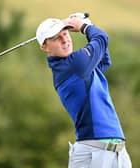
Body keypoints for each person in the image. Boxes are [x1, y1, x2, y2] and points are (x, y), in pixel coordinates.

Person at [36, 13, 132, 168]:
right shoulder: (74, 65)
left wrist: (87, 22)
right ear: (45, 47)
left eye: (65, 33)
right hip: (93, 154)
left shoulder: (78, 67)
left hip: (118, 154)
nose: (64, 39)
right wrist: (82, 26)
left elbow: (104, 60)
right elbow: (102, 38)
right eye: (56, 37)